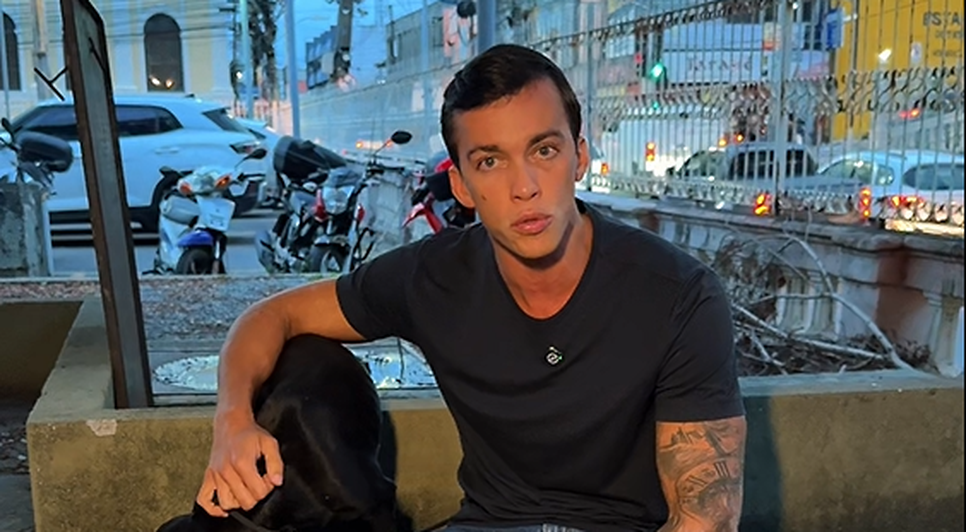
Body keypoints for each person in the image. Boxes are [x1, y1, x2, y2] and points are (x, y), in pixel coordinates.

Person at [197, 43, 747, 532]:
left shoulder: (677, 294)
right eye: (490, 161)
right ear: (461, 184)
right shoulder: (434, 277)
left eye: (544, 150)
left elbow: (704, 518)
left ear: (580, 155)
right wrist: (232, 422)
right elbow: (273, 316)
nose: (524, 187)